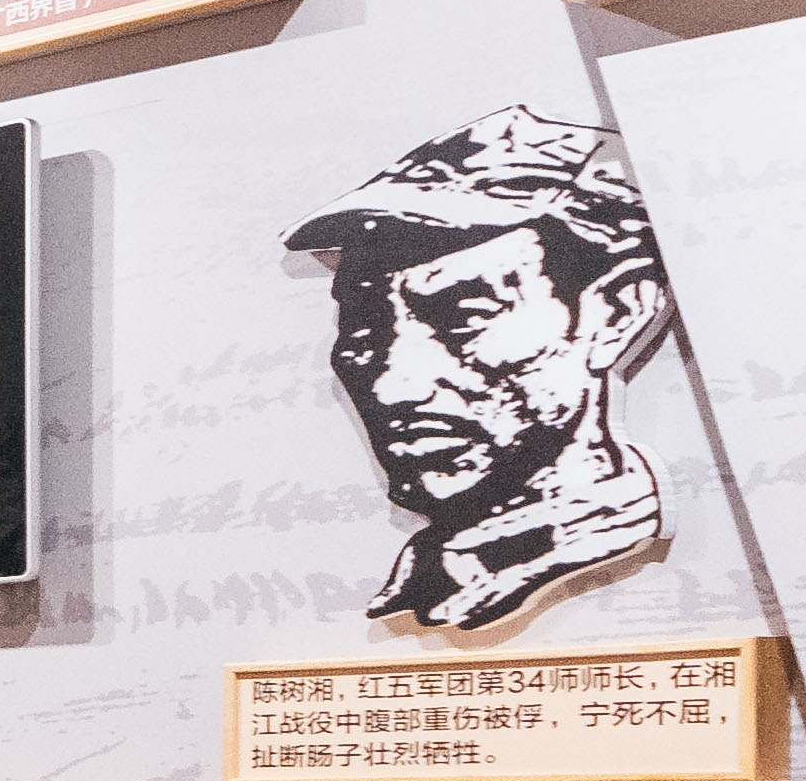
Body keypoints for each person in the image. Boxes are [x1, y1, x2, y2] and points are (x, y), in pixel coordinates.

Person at [286, 106, 678, 633]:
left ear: (618, 312)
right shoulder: (437, 572)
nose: (395, 384)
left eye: (466, 315)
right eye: (366, 323)